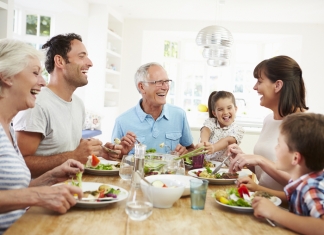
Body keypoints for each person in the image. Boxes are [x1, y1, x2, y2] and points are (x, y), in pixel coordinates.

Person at [0, 39, 83, 234]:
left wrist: (51, 177)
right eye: (35, 73)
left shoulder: (8, 128)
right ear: (7, 77)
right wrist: (38, 196)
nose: (43, 81)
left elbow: (13, 193)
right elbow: (25, 197)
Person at [13, 33, 122, 178]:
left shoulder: (78, 104)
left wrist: (100, 152)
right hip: (43, 196)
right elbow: (21, 164)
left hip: (72, 190)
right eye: (81, 56)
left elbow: (68, 149)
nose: (90, 62)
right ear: (60, 61)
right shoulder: (36, 104)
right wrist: (75, 155)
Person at [229, 55, 309, 191]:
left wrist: (260, 160)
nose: (255, 87)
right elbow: (265, 174)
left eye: (260, 81)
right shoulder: (269, 119)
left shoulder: (304, 126)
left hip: (283, 210)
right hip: (262, 203)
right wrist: (245, 159)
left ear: (277, 85)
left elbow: (300, 184)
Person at [251, 112, 324, 235]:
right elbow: (291, 198)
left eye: (279, 144)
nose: (275, 148)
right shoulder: (300, 181)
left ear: (295, 158)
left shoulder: (311, 187)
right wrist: (259, 191)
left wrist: (275, 213)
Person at [111, 62, 195, 156]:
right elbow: (113, 160)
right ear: (142, 87)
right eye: (159, 82)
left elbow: (191, 149)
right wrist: (121, 155)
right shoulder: (122, 121)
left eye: (167, 82)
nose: (165, 87)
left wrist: (186, 153)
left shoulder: (179, 115)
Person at [196, 91, 244, 164]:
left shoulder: (238, 129)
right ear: (214, 113)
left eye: (229, 108)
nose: (225, 112)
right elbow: (205, 130)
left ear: (235, 109)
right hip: (206, 166)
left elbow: (227, 141)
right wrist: (204, 143)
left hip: (225, 168)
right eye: (220, 109)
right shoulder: (212, 122)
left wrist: (214, 147)